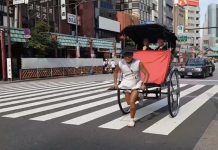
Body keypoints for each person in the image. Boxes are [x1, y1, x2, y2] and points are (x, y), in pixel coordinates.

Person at [113, 50, 149, 127]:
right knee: (129, 102)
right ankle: (139, 97)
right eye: (125, 55)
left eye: (129, 55)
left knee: (132, 102)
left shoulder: (138, 63)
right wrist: (115, 83)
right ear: (123, 56)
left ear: (132, 55)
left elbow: (146, 74)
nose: (127, 57)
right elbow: (115, 72)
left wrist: (144, 84)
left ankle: (131, 119)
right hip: (126, 83)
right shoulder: (120, 63)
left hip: (136, 83)